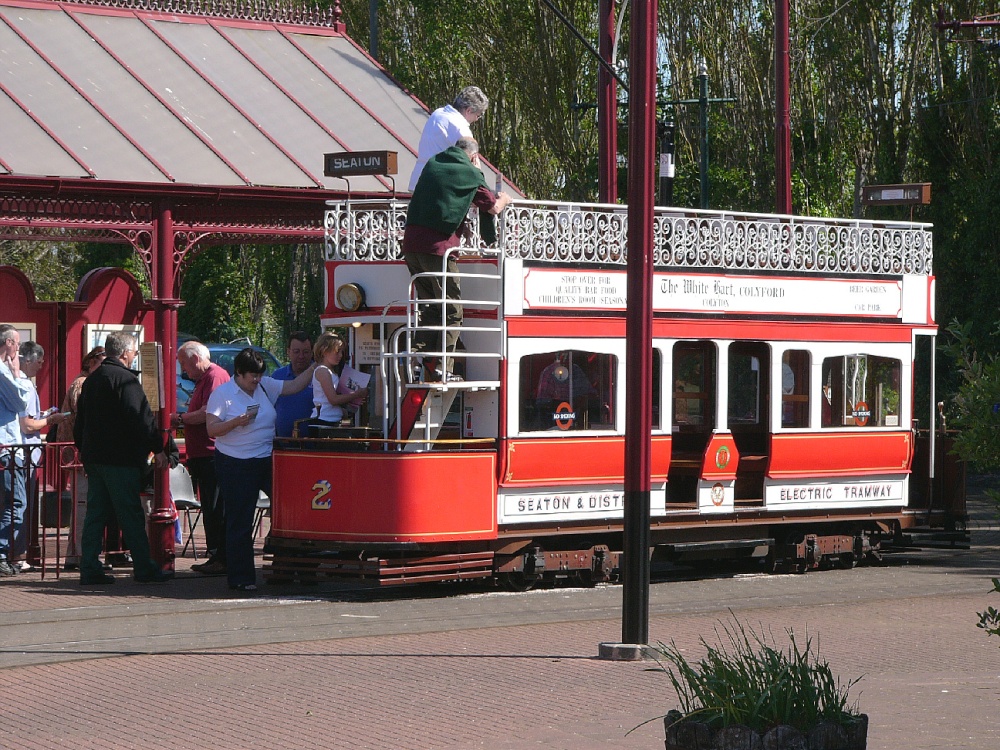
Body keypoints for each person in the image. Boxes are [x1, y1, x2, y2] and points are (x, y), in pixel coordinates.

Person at [206, 348, 315, 592]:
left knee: (289, 507)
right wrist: (236, 422)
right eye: (251, 377)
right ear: (239, 374)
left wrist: (315, 366)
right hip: (235, 462)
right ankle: (241, 577)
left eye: (259, 376)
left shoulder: (265, 385)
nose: (256, 381)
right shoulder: (223, 394)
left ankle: (290, 566)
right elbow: (211, 429)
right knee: (240, 519)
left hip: (265, 458)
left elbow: (294, 386)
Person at [403, 138, 512, 380]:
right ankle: (444, 368)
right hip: (438, 250)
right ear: (474, 157)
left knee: (430, 306)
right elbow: (492, 207)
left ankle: (419, 363)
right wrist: (505, 199)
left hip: (411, 246)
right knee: (452, 310)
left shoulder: (433, 164)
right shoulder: (470, 172)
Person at [73, 331, 171, 585]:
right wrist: (157, 448)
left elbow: (79, 423)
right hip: (121, 459)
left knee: (96, 513)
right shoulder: (125, 380)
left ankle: (90, 567)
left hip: (95, 459)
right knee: (130, 513)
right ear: (126, 353)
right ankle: (144, 566)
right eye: (134, 351)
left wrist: (84, 451)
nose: (135, 355)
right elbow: (141, 417)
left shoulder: (92, 380)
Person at [176, 341, 231, 575]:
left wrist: (180, 418)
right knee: (210, 505)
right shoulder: (204, 379)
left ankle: (221, 555)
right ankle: (216, 554)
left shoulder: (214, 377)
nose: (183, 370)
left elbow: (208, 413)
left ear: (196, 359)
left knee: (216, 506)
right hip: (203, 454)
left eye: (184, 364)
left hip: (211, 453)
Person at [16, 341, 67, 572]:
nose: (41, 365)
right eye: (39, 361)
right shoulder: (24, 386)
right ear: (27, 360)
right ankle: (17, 555)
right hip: (24, 455)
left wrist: (44, 415)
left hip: (28, 454)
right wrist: (49, 421)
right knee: (21, 505)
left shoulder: (24, 384)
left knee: (22, 505)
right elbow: (27, 425)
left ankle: (18, 554)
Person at [57, 346, 106, 570]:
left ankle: (75, 555)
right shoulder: (82, 384)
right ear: (91, 362)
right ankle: (81, 554)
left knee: (83, 504)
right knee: (83, 504)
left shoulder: (84, 382)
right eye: (100, 363)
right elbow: (84, 418)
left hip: (80, 453)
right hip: (79, 454)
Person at [408, 86, 489, 192]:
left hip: (418, 181)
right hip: (438, 188)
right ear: (469, 110)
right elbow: (473, 166)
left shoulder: (438, 113)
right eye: (478, 115)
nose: (476, 120)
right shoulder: (461, 128)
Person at [0, 324, 30, 577]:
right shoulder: (3, 371)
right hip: (7, 448)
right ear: (8, 343)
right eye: (17, 343)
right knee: (16, 501)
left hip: (6, 446)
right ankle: (1, 554)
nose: (19, 348)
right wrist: (18, 374)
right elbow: (21, 403)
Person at [311, 333, 367, 425]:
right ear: (324, 351)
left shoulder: (331, 372)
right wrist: (356, 394)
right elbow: (333, 399)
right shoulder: (323, 371)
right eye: (337, 352)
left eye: (342, 352)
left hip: (333, 419)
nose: (340, 355)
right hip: (324, 419)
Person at [272, 331, 314, 438]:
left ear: (312, 352)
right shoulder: (277, 376)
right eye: (296, 351)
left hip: (314, 444)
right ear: (288, 352)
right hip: (282, 444)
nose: (301, 356)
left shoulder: (322, 375)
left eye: (305, 352)